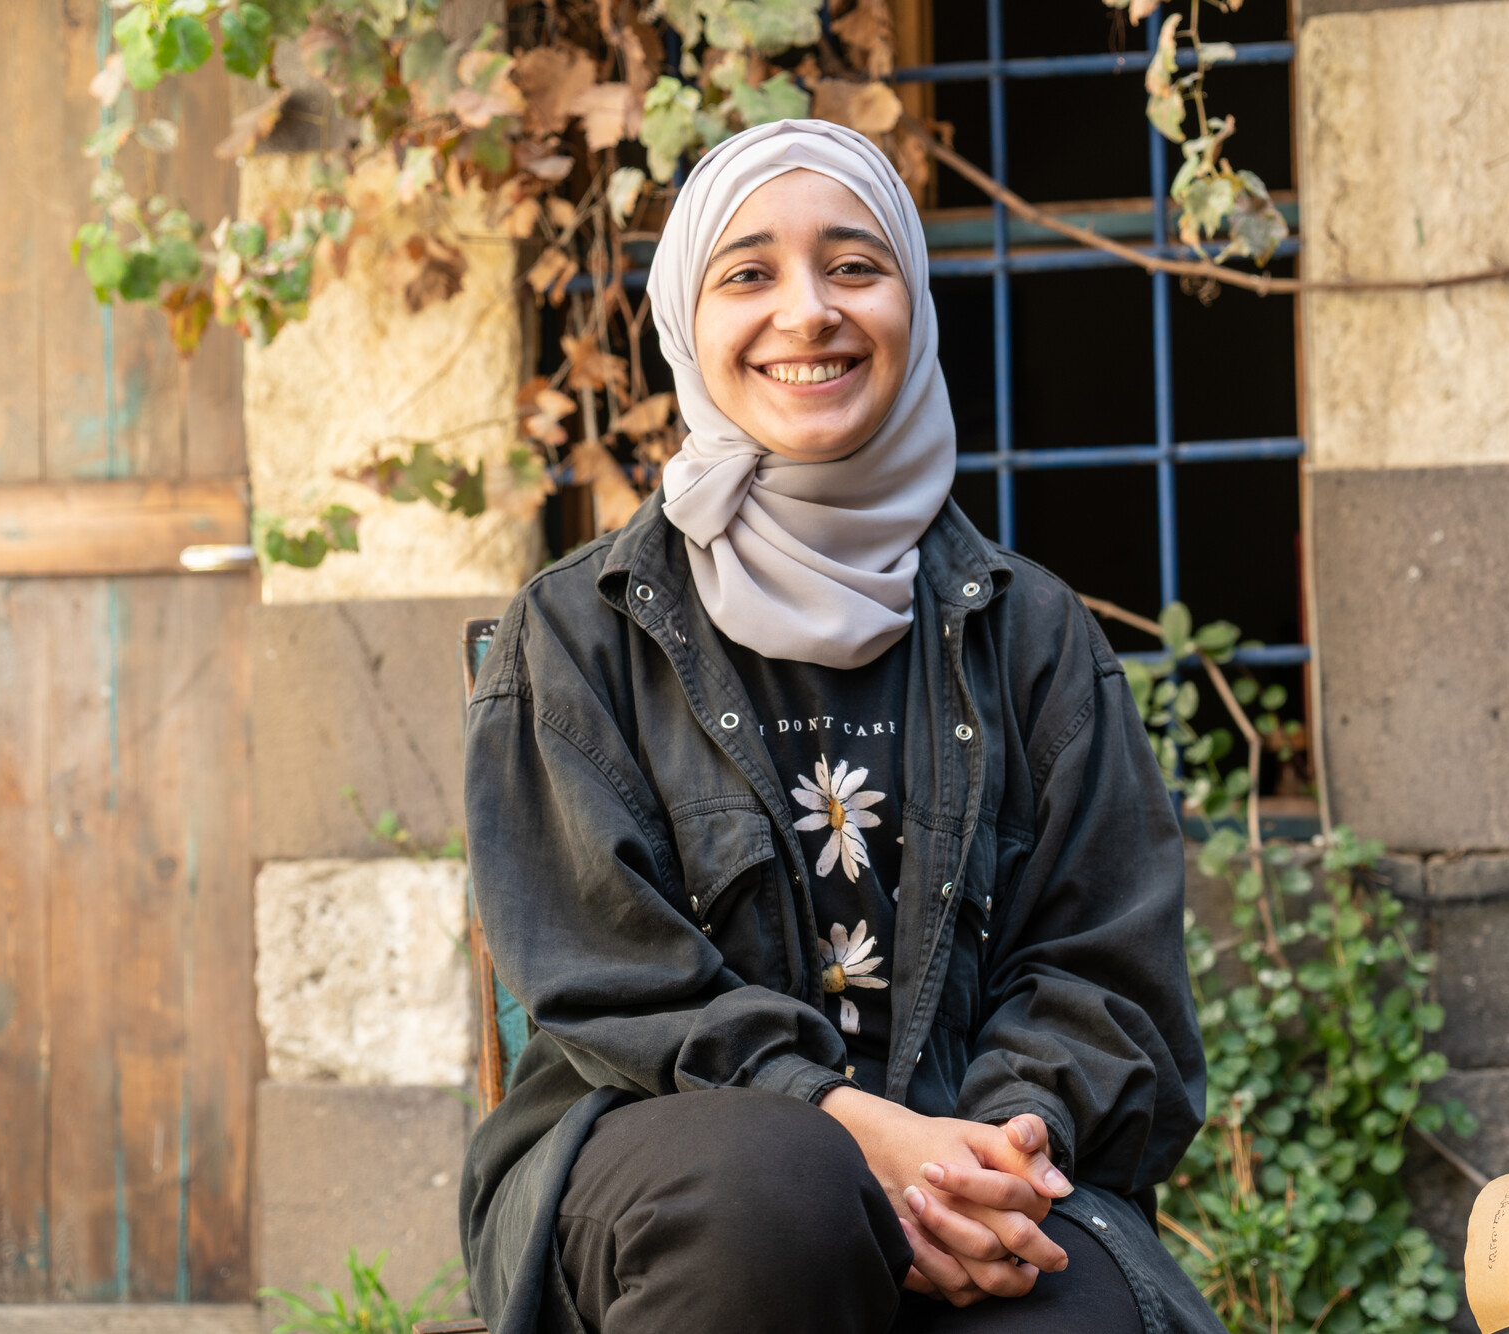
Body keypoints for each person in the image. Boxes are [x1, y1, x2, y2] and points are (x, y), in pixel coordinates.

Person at [457, 119, 1221, 1334]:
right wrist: (843, 1124)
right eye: (748, 272)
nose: (807, 311)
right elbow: (607, 979)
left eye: (854, 266)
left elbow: (1103, 972)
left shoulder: (1032, 636)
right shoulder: (581, 632)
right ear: (682, 323)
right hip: (664, 1166)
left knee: (1082, 1315)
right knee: (778, 1195)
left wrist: (985, 1153)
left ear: (909, 303)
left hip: (976, 1158)